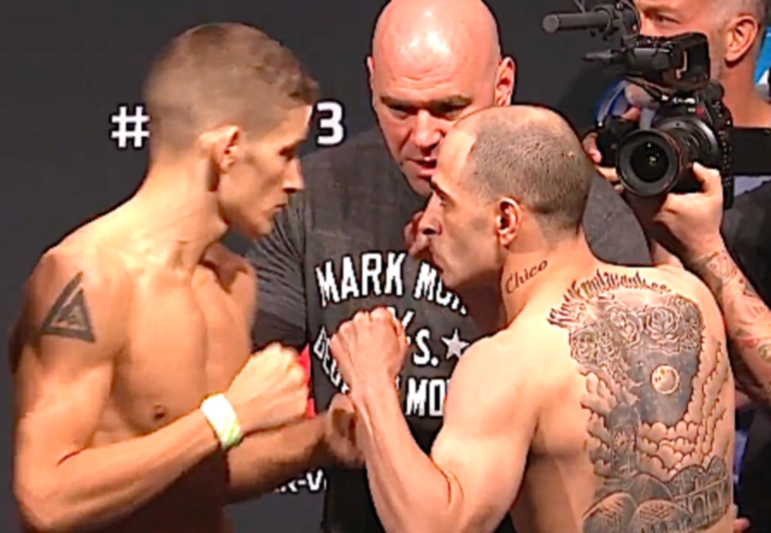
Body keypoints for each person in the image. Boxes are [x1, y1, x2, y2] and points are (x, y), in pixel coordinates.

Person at [247, 1, 651, 531]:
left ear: (502, 85)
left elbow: (626, 423)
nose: (422, 136)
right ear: (371, 82)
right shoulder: (312, 196)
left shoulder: (575, 211)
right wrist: (325, 435)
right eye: (399, 108)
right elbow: (243, 397)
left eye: (448, 108)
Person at [8, 22, 357, 533]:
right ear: (227, 149)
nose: (296, 180)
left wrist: (325, 437)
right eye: (285, 153)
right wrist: (226, 416)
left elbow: (200, 475)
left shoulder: (233, 283)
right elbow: (47, 497)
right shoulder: (90, 277)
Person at [329, 104, 736, 533]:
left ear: (506, 220)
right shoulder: (687, 296)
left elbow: (434, 528)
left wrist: (371, 382)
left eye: (444, 201)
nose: (428, 222)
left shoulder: (507, 364)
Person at [577, 1, 771, 529]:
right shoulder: (609, 157)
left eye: (664, 20)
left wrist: (703, 249)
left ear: (738, 37)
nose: (640, 35)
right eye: (636, 16)